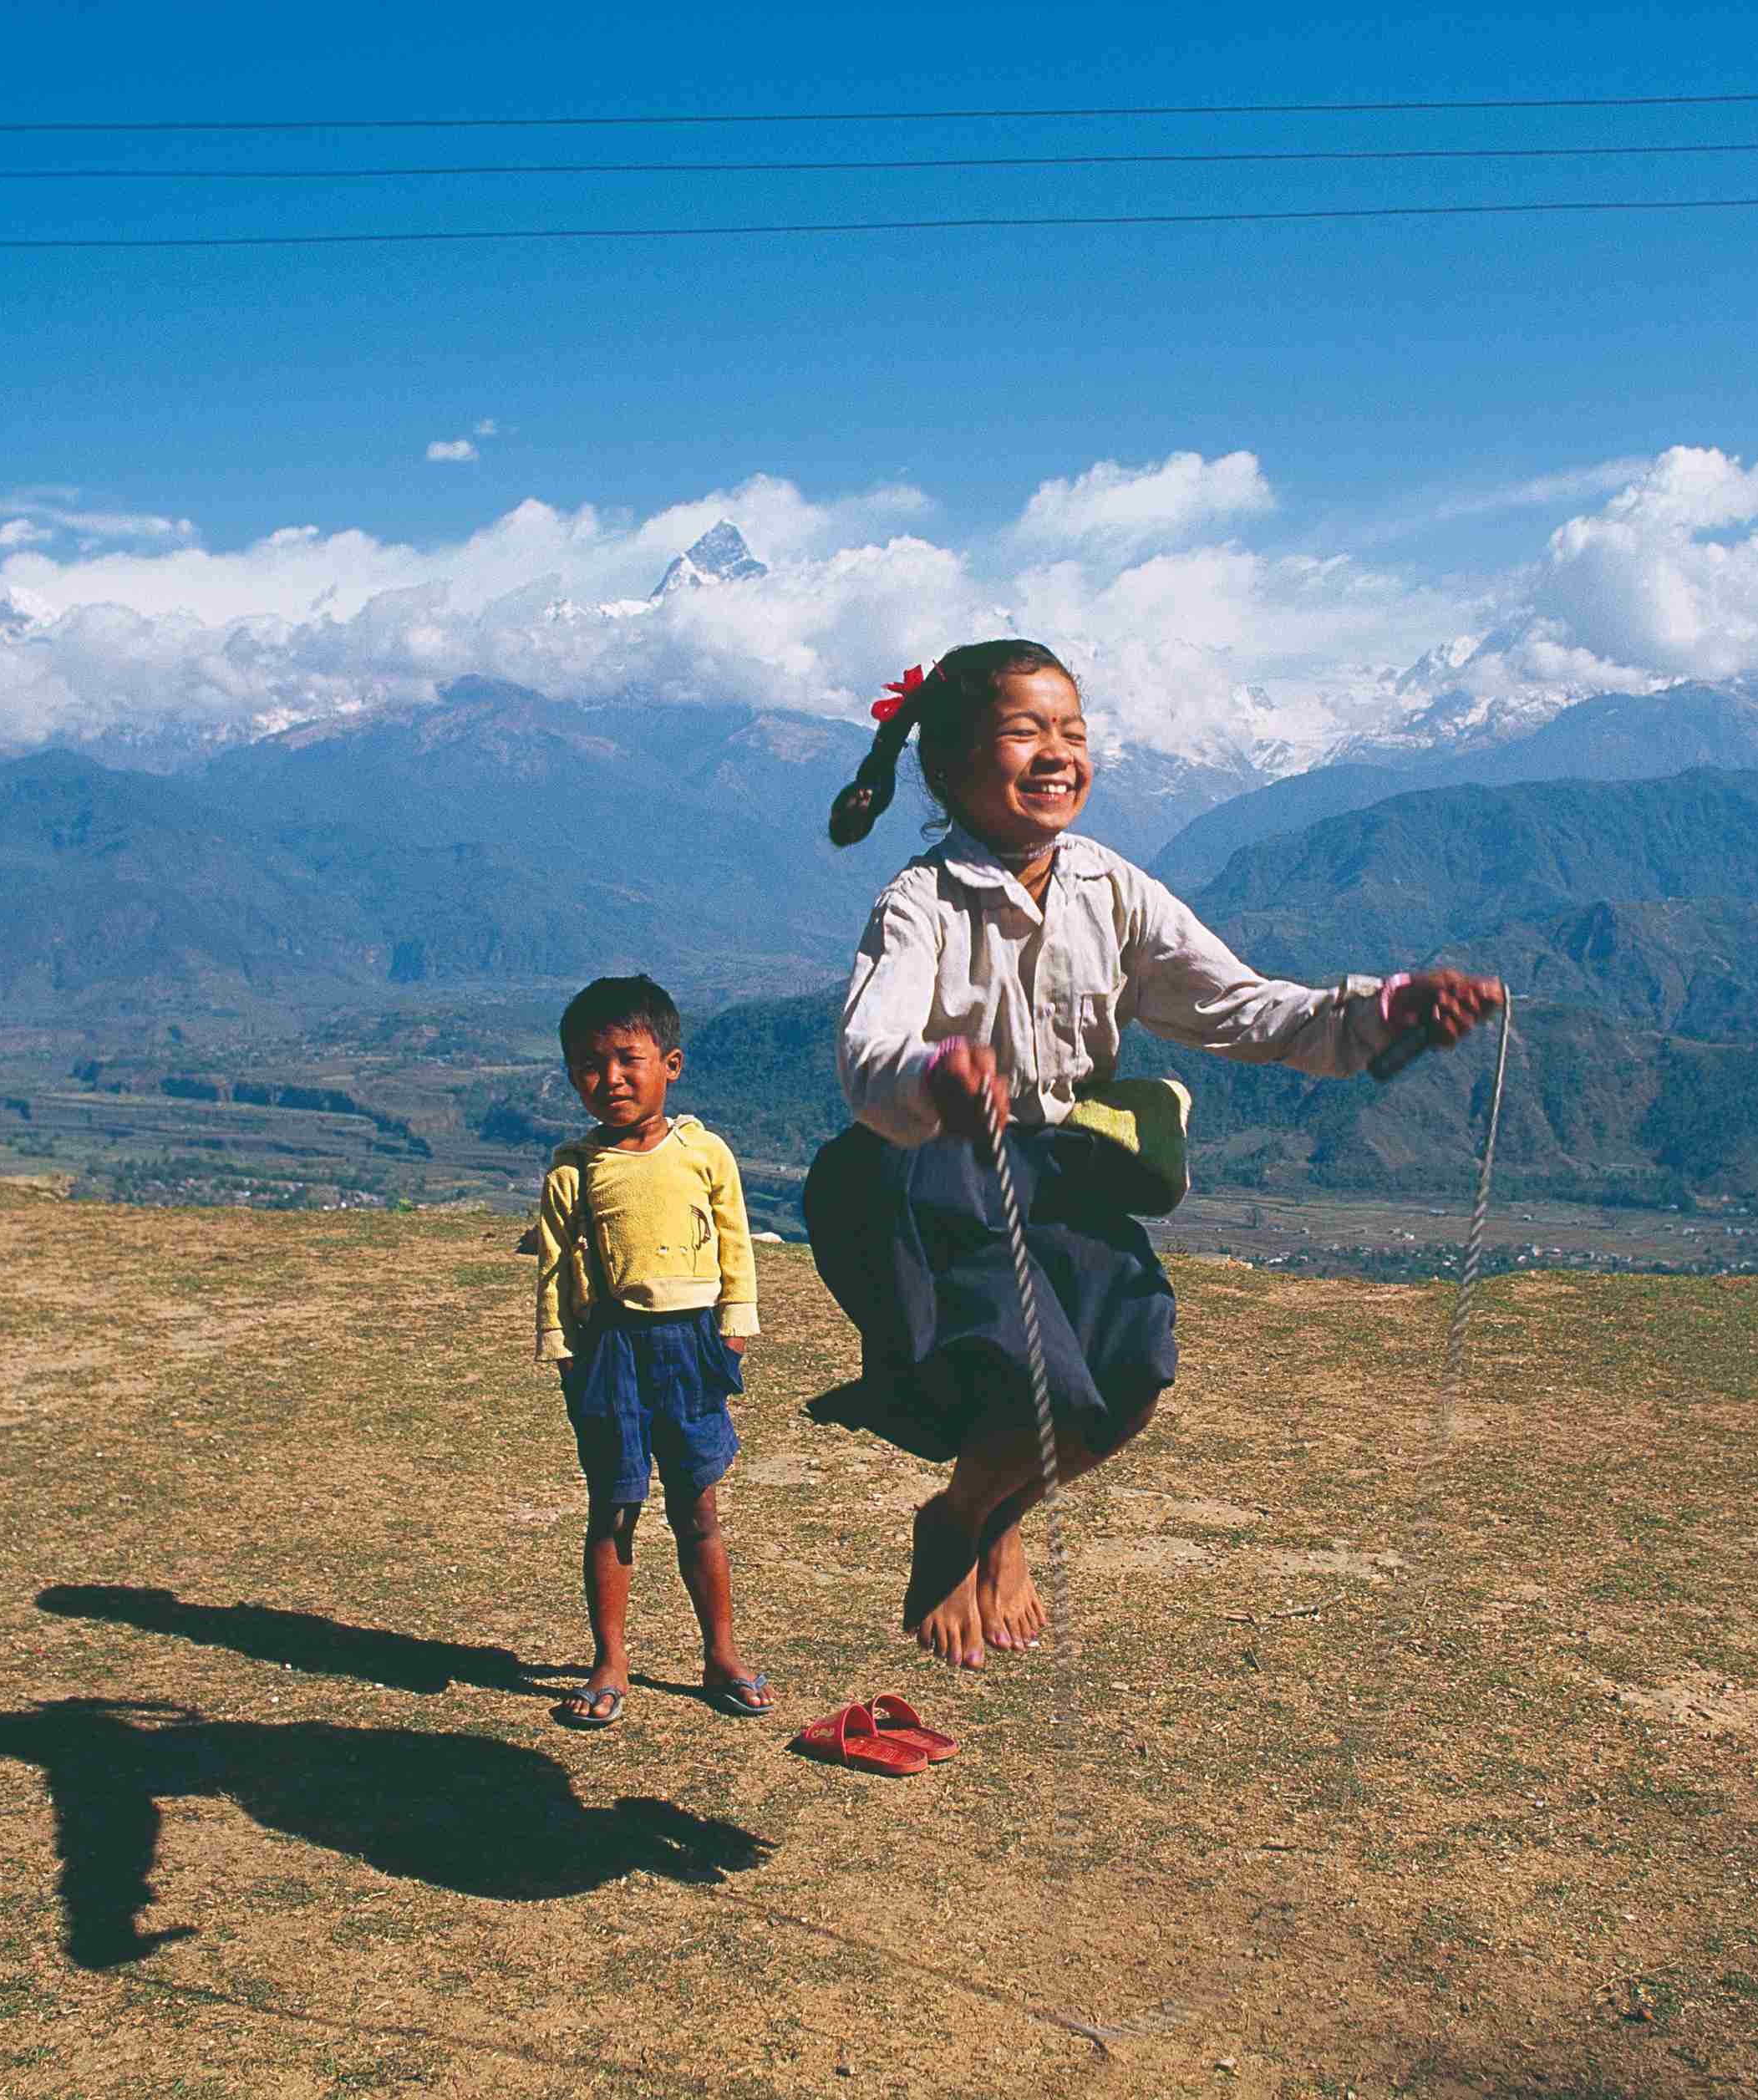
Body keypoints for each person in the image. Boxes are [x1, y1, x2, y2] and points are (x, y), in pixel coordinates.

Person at [805, 643, 1501, 1669]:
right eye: (1025, 732)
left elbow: (1242, 1007)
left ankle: (991, 1517)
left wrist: (1384, 1008)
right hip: (938, 1168)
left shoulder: (1111, 888)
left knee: (1129, 1377)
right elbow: (870, 1052)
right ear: (950, 766)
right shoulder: (920, 903)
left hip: (1064, 1170)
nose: (1056, 754)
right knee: (1034, 1379)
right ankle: (958, 1522)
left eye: (1073, 733)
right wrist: (935, 1075)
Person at [528, 974, 770, 1728]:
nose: (609, 1080)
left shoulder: (704, 1153)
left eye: (627, 1059)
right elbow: (554, 1265)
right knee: (614, 1508)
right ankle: (610, 1659)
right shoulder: (574, 1168)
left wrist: (734, 1324)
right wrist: (562, 1347)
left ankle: (721, 1653)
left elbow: (735, 1240)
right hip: (608, 1353)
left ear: (670, 1063)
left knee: (697, 1507)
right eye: (589, 1066)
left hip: (691, 1347)